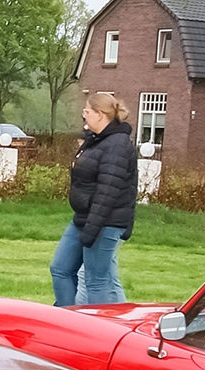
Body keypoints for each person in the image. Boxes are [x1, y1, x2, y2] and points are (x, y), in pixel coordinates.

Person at [50, 92, 137, 307]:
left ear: (100, 114)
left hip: (104, 222)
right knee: (60, 269)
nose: (84, 115)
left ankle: (98, 331)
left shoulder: (117, 145)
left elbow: (108, 192)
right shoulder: (96, 141)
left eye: (87, 111)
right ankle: (68, 319)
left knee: (96, 281)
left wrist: (91, 229)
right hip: (83, 217)